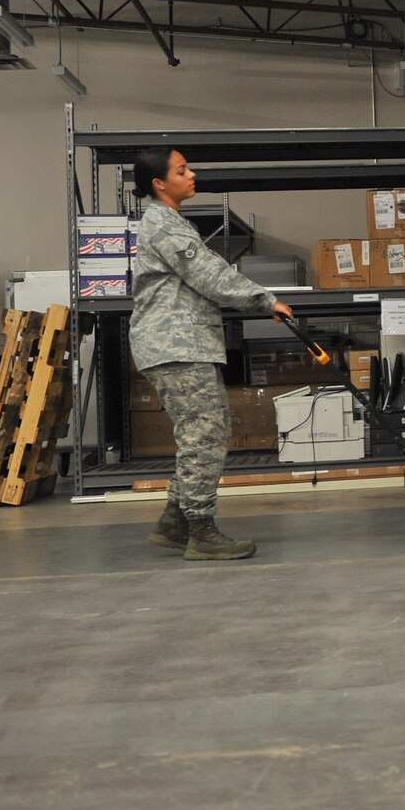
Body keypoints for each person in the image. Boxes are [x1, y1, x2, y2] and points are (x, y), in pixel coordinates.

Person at [128, 146, 294, 561]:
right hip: (176, 344)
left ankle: (175, 521)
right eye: (182, 170)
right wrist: (263, 300)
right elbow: (209, 274)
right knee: (205, 437)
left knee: (207, 430)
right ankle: (201, 532)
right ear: (159, 183)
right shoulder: (164, 225)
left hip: (181, 343)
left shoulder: (169, 221)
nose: (192, 174)